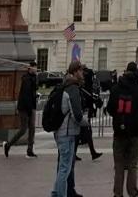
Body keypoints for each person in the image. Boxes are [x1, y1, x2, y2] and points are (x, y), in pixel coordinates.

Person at [107, 62, 138, 197]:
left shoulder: (116, 88)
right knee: (132, 165)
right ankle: (132, 192)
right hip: (135, 131)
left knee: (118, 165)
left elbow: (110, 109)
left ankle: (117, 193)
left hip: (119, 130)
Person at [51, 61, 88, 197]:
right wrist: (86, 122)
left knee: (63, 166)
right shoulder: (72, 88)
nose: (83, 73)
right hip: (67, 132)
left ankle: (56, 193)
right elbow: (77, 115)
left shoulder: (65, 85)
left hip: (62, 131)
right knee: (65, 168)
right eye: (81, 70)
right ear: (75, 71)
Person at [4, 61, 39, 158]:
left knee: (32, 128)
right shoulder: (26, 79)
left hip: (31, 106)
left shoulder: (33, 78)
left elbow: (34, 90)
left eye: (36, 67)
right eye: (34, 67)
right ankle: (8, 145)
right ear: (30, 68)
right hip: (24, 107)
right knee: (23, 129)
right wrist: (28, 109)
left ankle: (30, 150)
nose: (36, 69)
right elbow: (25, 95)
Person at [75, 66, 104, 161]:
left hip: (84, 109)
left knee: (84, 131)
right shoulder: (80, 86)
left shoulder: (83, 87)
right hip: (83, 110)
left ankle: (92, 152)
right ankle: (92, 153)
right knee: (85, 131)